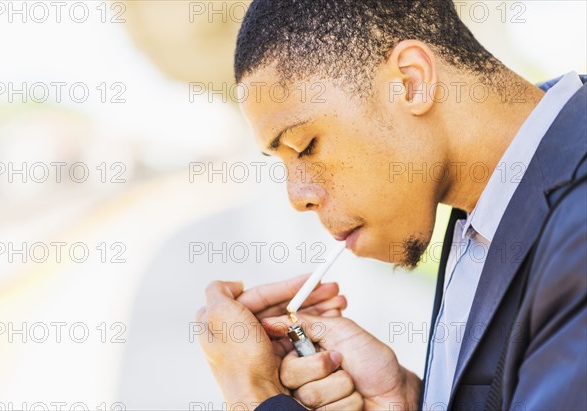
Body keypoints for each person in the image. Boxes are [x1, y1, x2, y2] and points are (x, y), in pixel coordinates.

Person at [196, 1, 587, 409]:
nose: (298, 197)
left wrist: (253, 395)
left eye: (306, 146)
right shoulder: (483, 218)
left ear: (410, 82)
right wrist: (409, 400)